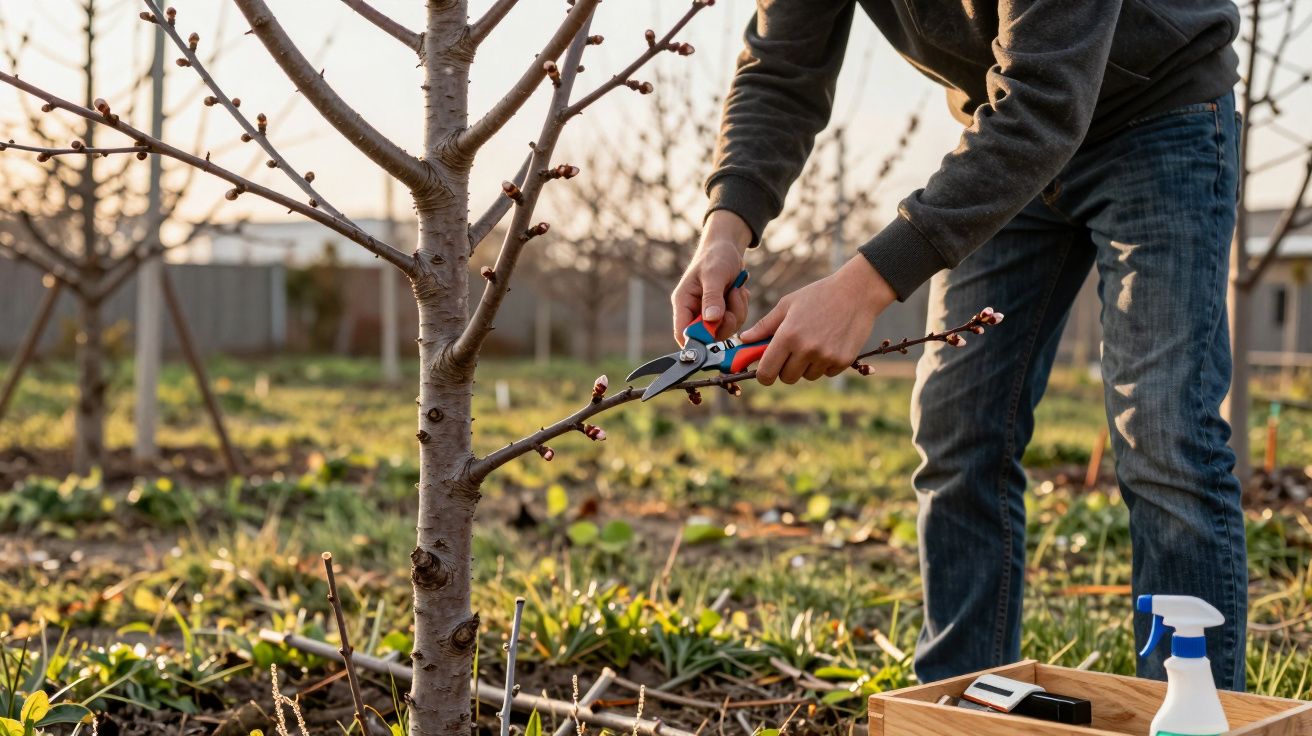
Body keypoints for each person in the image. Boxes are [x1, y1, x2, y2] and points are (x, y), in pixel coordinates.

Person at [672, 0, 1246, 689]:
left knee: (1162, 429)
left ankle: (1197, 709)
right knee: (958, 427)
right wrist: (725, 229)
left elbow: (1047, 101)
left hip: (1156, 113)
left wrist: (861, 290)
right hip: (1004, 130)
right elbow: (780, 69)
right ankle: (961, 704)